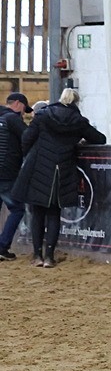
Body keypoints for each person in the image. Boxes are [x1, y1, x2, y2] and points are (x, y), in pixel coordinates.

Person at [11, 87, 106, 267]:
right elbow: (100, 138)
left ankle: (37, 255)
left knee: (37, 212)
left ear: (60, 98)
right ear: (76, 102)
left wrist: (30, 155)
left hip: (39, 167)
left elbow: (26, 138)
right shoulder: (79, 121)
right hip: (63, 169)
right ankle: (49, 257)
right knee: (54, 213)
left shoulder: (43, 116)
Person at [0, 92, 31, 260]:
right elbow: (28, 137)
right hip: (6, 172)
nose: (23, 114)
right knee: (17, 209)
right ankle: (3, 246)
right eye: (24, 110)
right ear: (18, 104)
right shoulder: (12, 119)